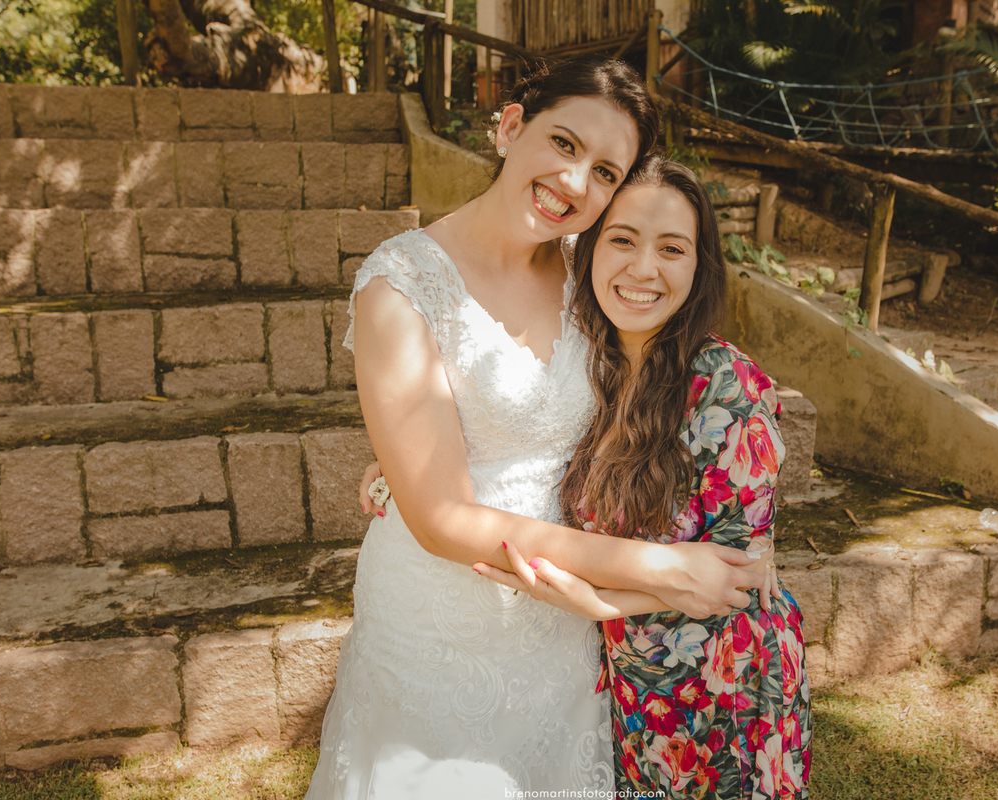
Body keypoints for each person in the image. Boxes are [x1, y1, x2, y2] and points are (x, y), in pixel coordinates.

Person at [306, 57, 771, 799]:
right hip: (444, 618)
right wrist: (657, 568)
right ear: (511, 127)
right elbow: (442, 521)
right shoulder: (400, 284)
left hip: (566, 621)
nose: (576, 183)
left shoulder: (593, 266)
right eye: (563, 144)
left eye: (606, 172)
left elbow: (639, 389)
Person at [475, 154, 812, 800]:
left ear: (698, 266)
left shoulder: (723, 385)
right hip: (636, 689)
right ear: (592, 247)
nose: (644, 268)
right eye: (624, 239)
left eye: (672, 248)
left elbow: (740, 578)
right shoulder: (593, 370)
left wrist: (597, 604)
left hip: (727, 690)